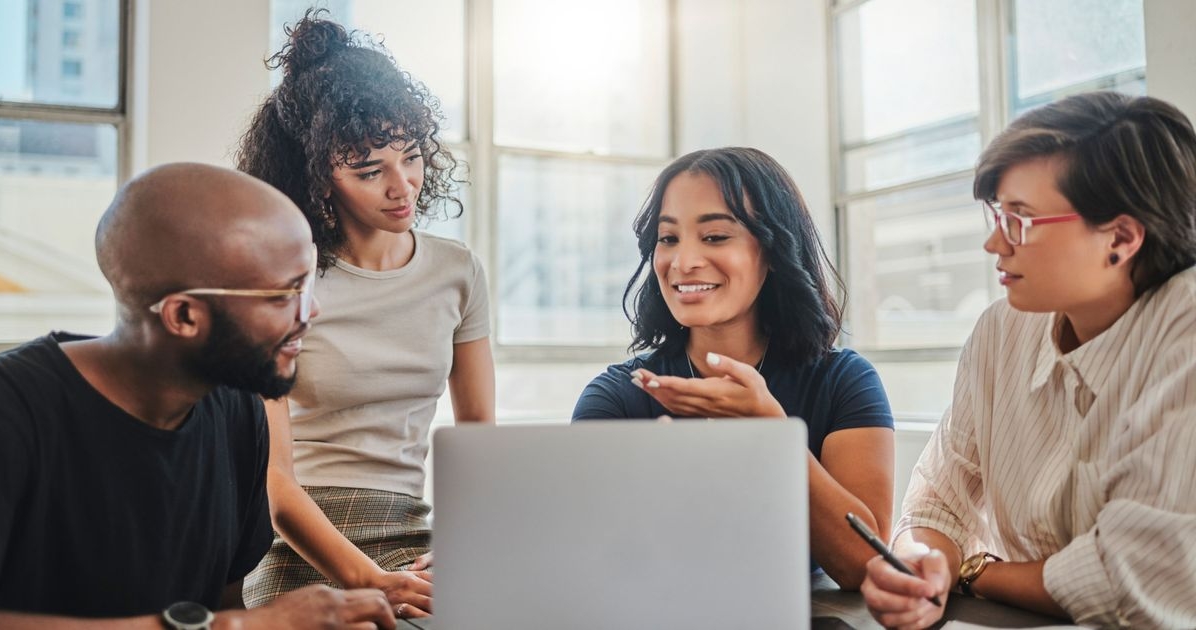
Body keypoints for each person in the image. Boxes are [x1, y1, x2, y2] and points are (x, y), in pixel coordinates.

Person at [0, 163, 396, 629]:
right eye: (283, 294)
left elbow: (223, 609)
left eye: (306, 285)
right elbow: (225, 624)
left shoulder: (238, 412)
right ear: (184, 316)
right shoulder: (12, 414)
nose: (312, 311)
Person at [860, 92, 1196, 629]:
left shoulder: (1186, 329)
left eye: (1020, 219)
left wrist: (973, 572)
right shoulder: (1002, 330)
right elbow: (937, 505)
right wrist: (923, 563)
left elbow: (1126, 583)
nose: (995, 243)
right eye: (998, 214)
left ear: (1121, 238)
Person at [236, 12, 494, 617]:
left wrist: (469, 542)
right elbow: (276, 488)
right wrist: (371, 578)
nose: (402, 185)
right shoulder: (285, 282)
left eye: (409, 156)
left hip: (415, 534)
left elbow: (479, 431)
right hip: (300, 544)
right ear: (318, 178)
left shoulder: (457, 272)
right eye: (369, 171)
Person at [573, 147, 895, 589]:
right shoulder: (617, 395)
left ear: (773, 250)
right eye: (668, 239)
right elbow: (591, 560)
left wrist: (772, 433)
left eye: (715, 237)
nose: (683, 262)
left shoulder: (843, 381)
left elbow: (867, 566)